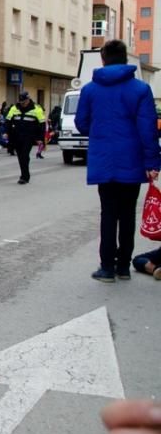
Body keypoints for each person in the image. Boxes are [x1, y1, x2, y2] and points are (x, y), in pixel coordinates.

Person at [76, 39, 161, 282]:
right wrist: (152, 163)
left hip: (103, 159)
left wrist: (101, 127)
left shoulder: (90, 89)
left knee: (108, 213)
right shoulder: (141, 89)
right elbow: (148, 130)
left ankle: (106, 268)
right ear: (126, 60)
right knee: (127, 214)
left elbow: (82, 123)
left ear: (103, 59)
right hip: (132, 160)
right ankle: (124, 266)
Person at [6, 91, 45, 184]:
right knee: (21, 157)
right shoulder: (14, 108)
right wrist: (6, 132)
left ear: (28, 100)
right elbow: (8, 121)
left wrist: (40, 138)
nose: (22, 104)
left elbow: (42, 125)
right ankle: (24, 174)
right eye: (21, 102)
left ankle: (24, 177)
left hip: (29, 137)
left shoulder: (37, 109)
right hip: (16, 137)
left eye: (23, 102)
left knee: (24, 155)